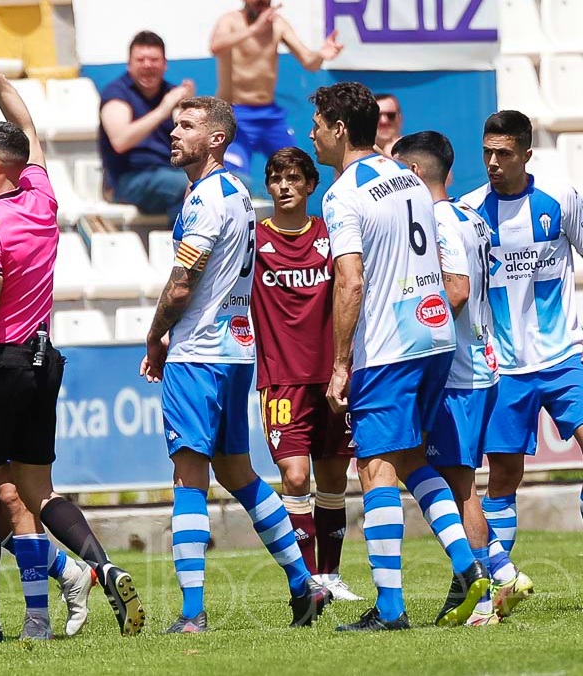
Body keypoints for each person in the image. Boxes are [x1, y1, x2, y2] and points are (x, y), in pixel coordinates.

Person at [0, 30, 143, 643]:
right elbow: (28, 125)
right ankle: (102, 564)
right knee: (37, 488)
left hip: (0, 363)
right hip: (45, 361)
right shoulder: (40, 197)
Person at [138, 96, 327, 634]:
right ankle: (302, 582)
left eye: (188, 125)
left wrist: (156, 339)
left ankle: (193, 613)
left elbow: (182, 283)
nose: (174, 132)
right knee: (237, 472)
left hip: (197, 352)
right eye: (175, 123)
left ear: (217, 138)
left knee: (188, 477)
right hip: (236, 349)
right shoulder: (238, 192)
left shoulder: (205, 201)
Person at [311, 81, 487, 631]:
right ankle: (470, 568)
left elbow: (350, 280)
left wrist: (341, 363)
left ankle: (390, 609)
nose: (310, 132)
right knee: (411, 459)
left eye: (317, 122)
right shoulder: (407, 176)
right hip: (434, 338)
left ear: (340, 129)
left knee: (375, 467)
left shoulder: (342, 194)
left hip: (387, 346)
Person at [0, 139, 96, 640]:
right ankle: (68, 579)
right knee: (15, 496)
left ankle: (30, 613)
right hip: (33, 357)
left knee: (5, 497)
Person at [461, 109, 583, 617]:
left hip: (563, 357)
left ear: (526, 153)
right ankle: (499, 585)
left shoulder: (562, 200)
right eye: (487, 152)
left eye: (503, 153)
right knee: (504, 474)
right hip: (503, 368)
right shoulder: (470, 213)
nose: (492, 162)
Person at [391, 131, 501, 627]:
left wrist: (413, 336)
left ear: (413, 174)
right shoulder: (472, 218)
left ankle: (490, 589)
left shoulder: (435, 220)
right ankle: (482, 583)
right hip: (483, 364)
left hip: (457, 374)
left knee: (459, 491)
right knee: (458, 485)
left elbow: (454, 291)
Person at [250, 147, 362, 602]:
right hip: (281, 378)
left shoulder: (330, 237)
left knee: (334, 478)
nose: (285, 186)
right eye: (276, 178)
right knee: (296, 477)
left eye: (294, 178)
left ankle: (331, 575)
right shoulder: (253, 240)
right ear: (268, 184)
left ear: (311, 185)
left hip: (332, 376)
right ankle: (307, 578)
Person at [209, 0, 344, 178]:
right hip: (235, 113)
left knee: (296, 169)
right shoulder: (230, 21)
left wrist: (321, 55)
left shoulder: (277, 24)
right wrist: (253, 29)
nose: (262, 4)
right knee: (233, 176)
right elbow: (215, 46)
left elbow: (308, 62)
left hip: (269, 115)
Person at [99, 31, 194, 220]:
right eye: (140, 60)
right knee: (185, 185)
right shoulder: (117, 94)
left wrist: (189, 109)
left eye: (154, 59)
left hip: (170, 174)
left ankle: (186, 246)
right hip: (128, 180)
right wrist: (163, 109)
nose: (147, 65)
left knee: (229, 183)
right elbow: (120, 141)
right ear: (129, 64)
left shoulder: (171, 92)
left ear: (164, 64)